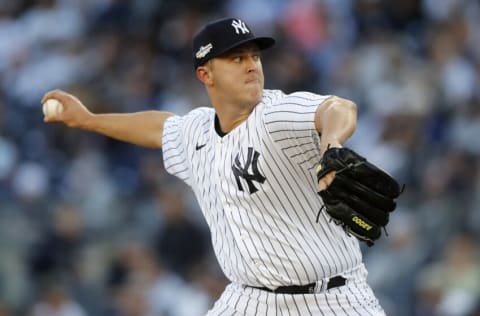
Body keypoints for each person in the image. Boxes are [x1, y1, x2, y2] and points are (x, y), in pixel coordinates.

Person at [42, 17, 386, 315]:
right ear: (205, 74)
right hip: (250, 301)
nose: (252, 65)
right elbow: (159, 127)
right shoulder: (198, 132)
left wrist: (331, 145)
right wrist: (89, 120)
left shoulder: (275, 116)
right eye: (237, 58)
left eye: (254, 56)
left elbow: (338, 108)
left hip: (335, 299)